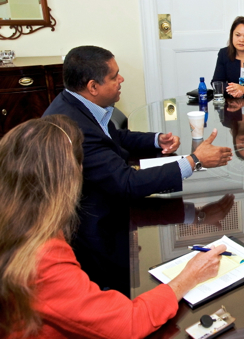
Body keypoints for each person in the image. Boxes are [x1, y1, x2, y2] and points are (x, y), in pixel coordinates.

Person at [0, 115, 228, 339]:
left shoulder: (18, 223)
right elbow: (129, 324)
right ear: (69, 177)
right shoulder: (44, 257)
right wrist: (189, 276)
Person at [42, 45, 233, 293]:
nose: (121, 80)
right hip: (97, 231)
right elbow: (127, 184)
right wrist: (193, 161)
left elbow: (113, 137)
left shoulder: (74, 103)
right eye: (114, 76)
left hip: (104, 204)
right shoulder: (76, 127)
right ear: (92, 87)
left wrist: (156, 139)